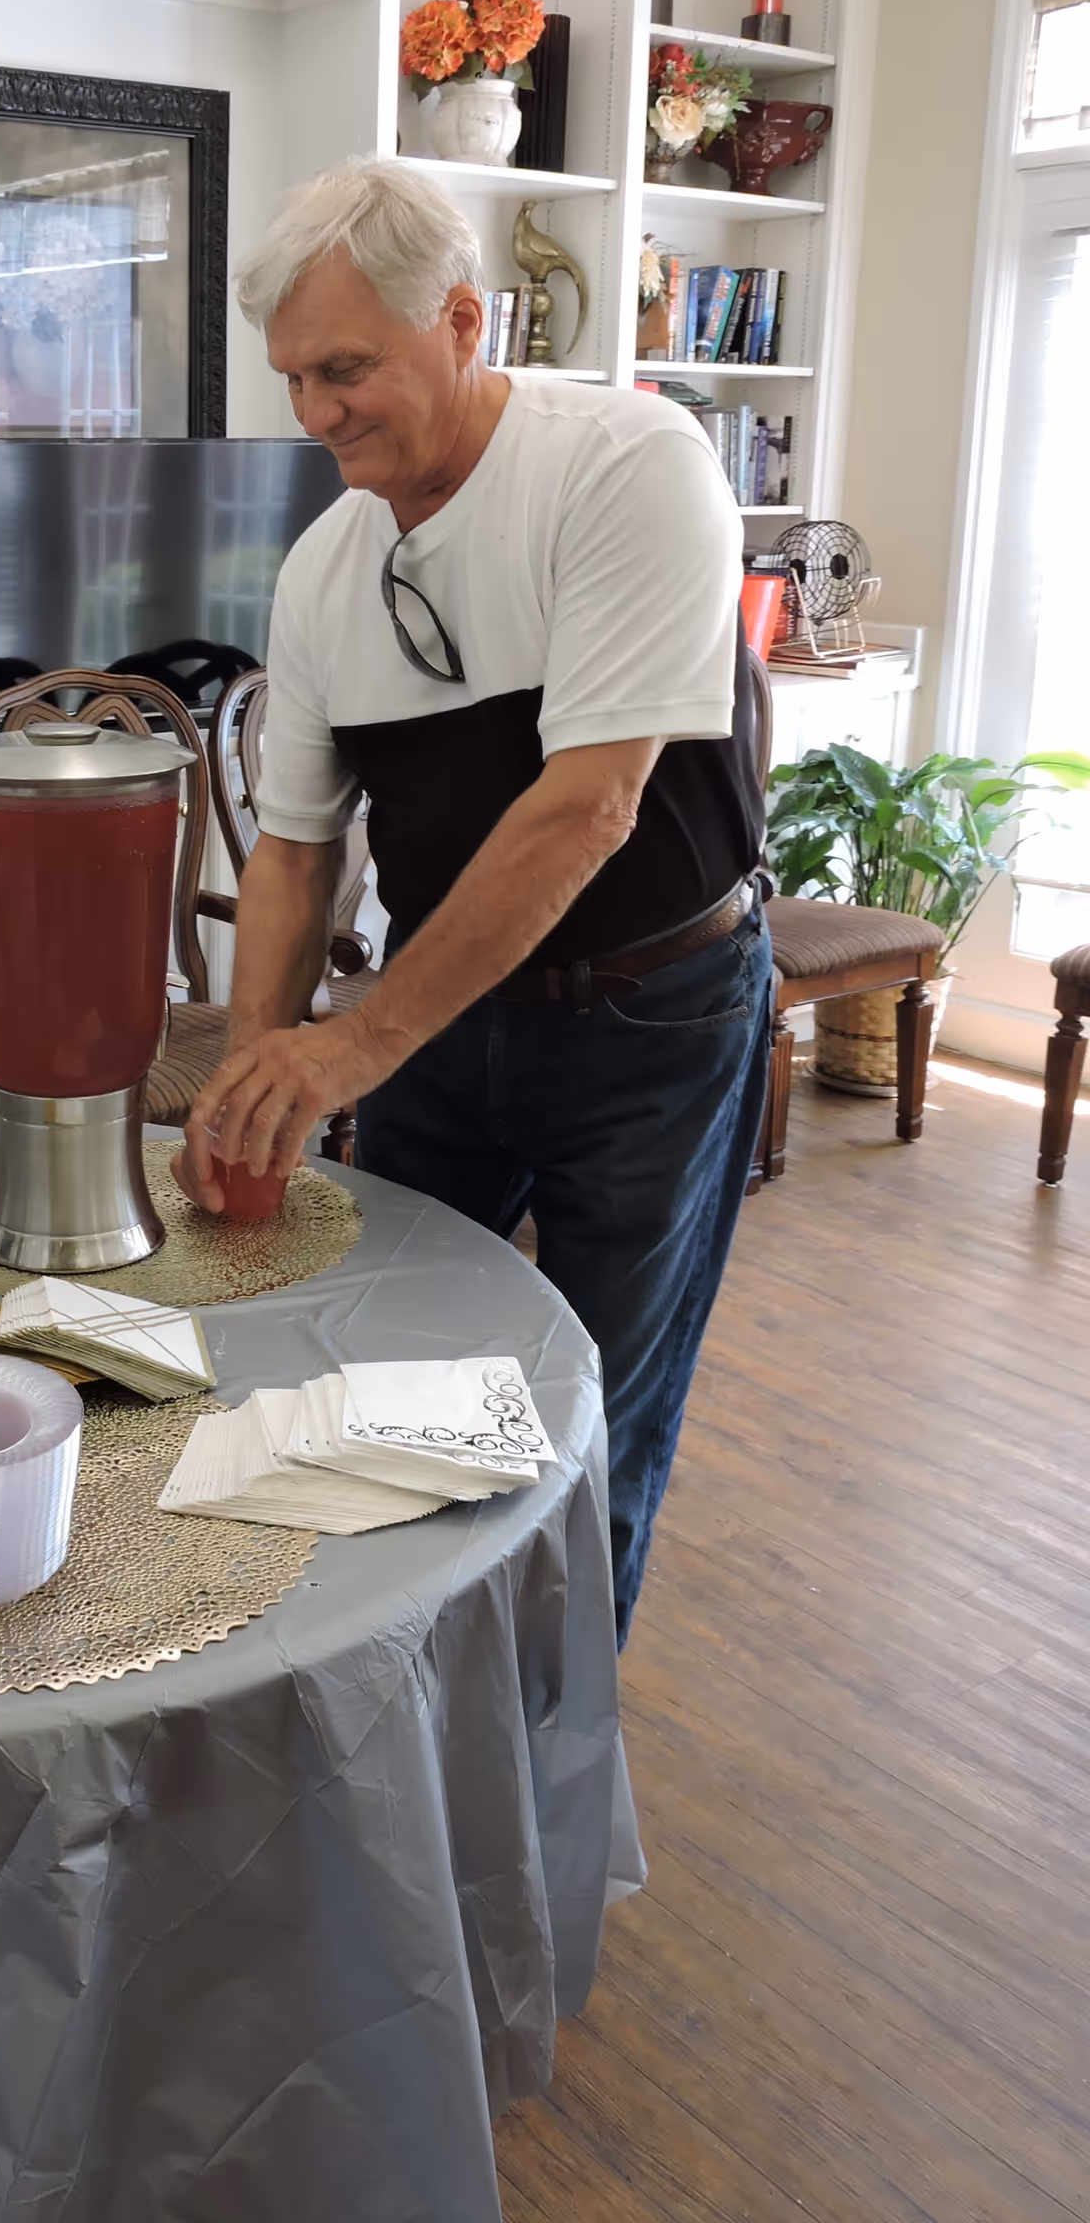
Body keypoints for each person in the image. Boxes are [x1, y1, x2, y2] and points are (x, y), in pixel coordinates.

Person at [175, 157, 771, 1643]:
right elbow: (298, 851)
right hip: (440, 1020)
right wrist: (264, 1069)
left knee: (583, 1422)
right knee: (380, 1387)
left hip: (652, 1016)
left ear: (461, 318)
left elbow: (588, 810)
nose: (315, 412)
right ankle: (397, 1733)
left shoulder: (630, 463)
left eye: (345, 368)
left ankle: (547, 1784)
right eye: (295, 377)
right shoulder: (321, 569)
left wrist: (349, 1050)